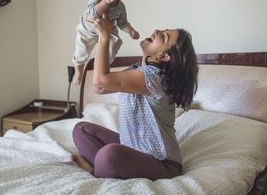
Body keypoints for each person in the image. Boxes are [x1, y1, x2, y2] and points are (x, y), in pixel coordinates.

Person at [72, 14, 198, 181]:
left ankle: (99, 168)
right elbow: (99, 87)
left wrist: (104, 36)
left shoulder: (156, 77)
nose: (157, 31)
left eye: (165, 36)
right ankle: (105, 167)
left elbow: (100, 79)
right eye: (164, 30)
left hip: (162, 163)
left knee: (109, 154)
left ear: (163, 56)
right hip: (132, 147)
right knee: (81, 130)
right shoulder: (137, 69)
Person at [72, 0, 139, 85]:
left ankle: (102, 65)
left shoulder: (121, 7)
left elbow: (122, 23)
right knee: (81, 52)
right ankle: (79, 71)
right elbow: (91, 14)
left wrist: (131, 31)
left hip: (108, 30)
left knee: (116, 41)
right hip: (88, 29)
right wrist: (106, 1)